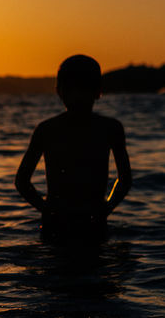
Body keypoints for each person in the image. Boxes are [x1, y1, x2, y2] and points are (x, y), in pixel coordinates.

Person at [16, 54, 131, 241]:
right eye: (72, 89)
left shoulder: (49, 129)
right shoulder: (108, 128)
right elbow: (21, 181)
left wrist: (47, 209)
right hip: (75, 222)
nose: (77, 95)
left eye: (83, 89)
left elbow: (125, 179)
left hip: (75, 222)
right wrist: (106, 208)